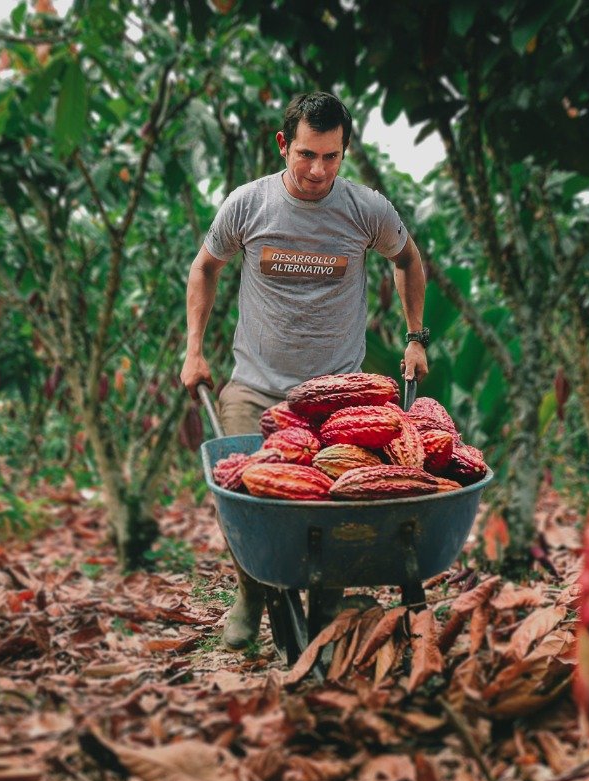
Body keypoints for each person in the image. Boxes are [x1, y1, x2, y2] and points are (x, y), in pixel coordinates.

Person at [180, 91, 429, 650]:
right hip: (256, 386)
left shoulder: (367, 210)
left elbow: (409, 260)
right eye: (307, 155)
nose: (318, 170)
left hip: (336, 396)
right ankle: (251, 593)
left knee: (340, 501)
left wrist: (415, 338)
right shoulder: (248, 206)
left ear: (344, 153)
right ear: (283, 145)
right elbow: (205, 269)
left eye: (332, 157)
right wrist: (193, 349)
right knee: (245, 493)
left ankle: (329, 607)